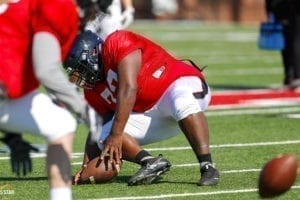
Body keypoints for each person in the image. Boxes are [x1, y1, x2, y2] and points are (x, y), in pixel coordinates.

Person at [64, 30, 220, 186]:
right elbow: (98, 127)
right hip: (150, 112)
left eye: (81, 67)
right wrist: (86, 167)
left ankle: (208, 167)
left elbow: (129, 87)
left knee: (181, 100)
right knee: (104, 134)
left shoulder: (117, 42)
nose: (81, 75)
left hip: (178, 84)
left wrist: (116, 135)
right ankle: (150, 162)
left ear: (92, 53)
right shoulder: (93, 91)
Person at [0, 0, 103, 199]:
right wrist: (83, 108)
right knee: (62, 123)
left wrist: (13, 137)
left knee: (61, 123)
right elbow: (46, 71)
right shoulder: (59, 7)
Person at [265, 0, 300, 88]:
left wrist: (269, 9)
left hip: (279, 8)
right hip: (292, 8)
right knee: (294, 40)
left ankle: (289, 76)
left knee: (286, 42)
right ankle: (296, 75)